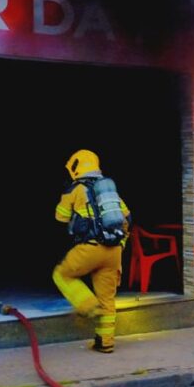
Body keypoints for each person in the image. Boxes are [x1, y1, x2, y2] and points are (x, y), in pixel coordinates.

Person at [52, 150, 131, 353]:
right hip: (114, 251)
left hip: (90, 248)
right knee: (108, 300)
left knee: (61, 275)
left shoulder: (75, 189)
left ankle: (88, 306)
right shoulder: (109, 191)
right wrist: (122, 244)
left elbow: (60, 217)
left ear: (75, 167)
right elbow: (127, 218)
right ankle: (105, 343)